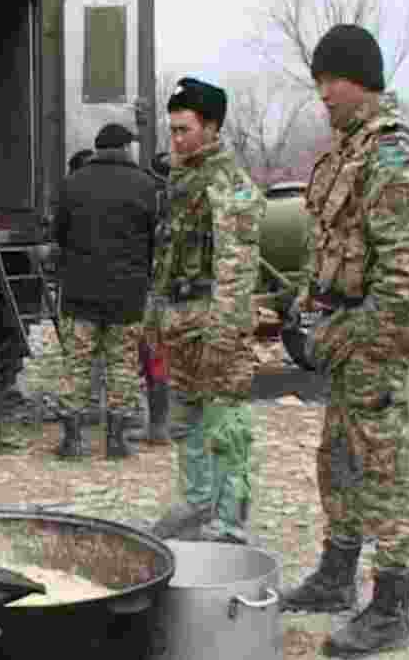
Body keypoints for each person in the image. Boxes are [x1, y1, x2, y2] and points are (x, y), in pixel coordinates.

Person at [280, 24, 409, 659]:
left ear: (361, 81)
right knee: (338, 460)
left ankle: (391, 608)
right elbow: (327, 244)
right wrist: (307, 309)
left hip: (373, 341)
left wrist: (357, 335)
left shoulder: (391, 156)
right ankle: (336, 576)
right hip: (343, 333)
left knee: (383, 469)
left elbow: (408, 272)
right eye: (319, 82)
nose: (323, 95)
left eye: (331, 82)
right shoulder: (350, 152)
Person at [147, 78, 266, 544]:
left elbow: (237, 266)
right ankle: (197, 502)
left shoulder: (226, 183)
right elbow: (166, 256)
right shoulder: (181, 181)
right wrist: (155, 315)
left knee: (224, 424)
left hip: (215, 321)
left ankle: (230, 522)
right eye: (173, 130)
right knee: (186, 420)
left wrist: (224, 332)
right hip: (180, 321)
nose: (176, 139)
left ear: (212, 128)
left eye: (185, 130)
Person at [53, 123, 158, 459]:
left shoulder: (72, 183)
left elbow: (59, 234)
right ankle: (115, 440)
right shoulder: (145, 185)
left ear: (98, 148)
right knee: (122, 365)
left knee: (77, 364)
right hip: (127, 294)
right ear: (125, 148)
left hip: (79, 291)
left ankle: (72, 441)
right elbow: (154, 239)